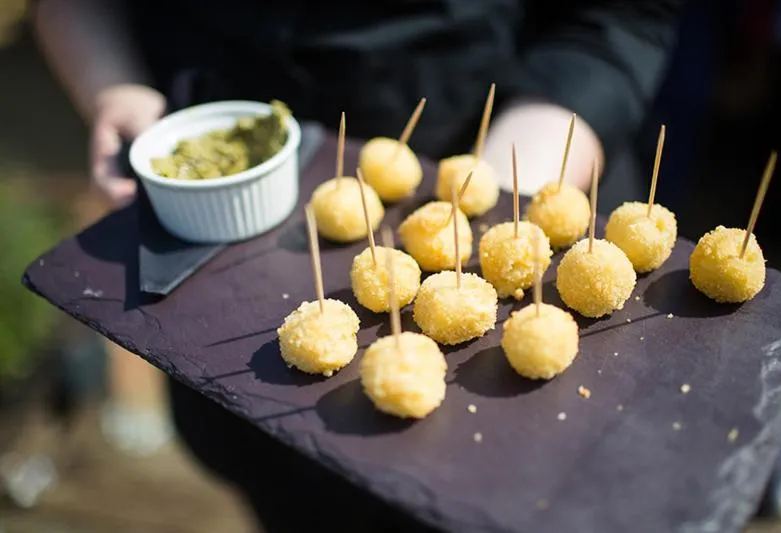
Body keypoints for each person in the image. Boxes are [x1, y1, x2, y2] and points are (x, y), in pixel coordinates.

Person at [33, 1, 684, 531]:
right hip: (215, 214)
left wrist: (505, 200)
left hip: (520, 150)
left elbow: (621, 17)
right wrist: (111, 89)